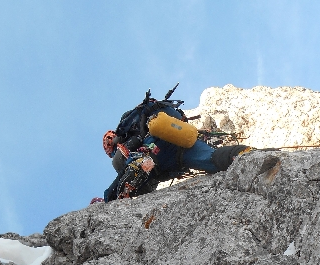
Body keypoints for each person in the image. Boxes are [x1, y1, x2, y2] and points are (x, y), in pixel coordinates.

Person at [101, 86, 249, 202]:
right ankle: (244, 154)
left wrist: (108, 197)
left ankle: (115, 198)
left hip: (155, 151)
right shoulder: (137, 120)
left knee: (137, 167)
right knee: (212, 157)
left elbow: (124, 164)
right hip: (181, 141)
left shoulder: (123, 136)